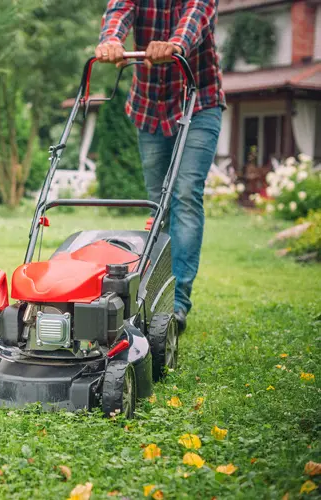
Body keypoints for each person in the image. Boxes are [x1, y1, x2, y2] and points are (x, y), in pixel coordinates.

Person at [96, 0, 225, 333]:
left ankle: (178, 302)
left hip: (199, 101)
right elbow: (119, 9)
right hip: (149, 106)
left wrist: (176, 45)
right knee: (158, 203)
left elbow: (196, 13)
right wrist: (112, 39)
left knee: (184, 193)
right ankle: (155, 296)